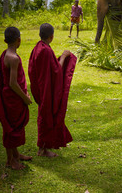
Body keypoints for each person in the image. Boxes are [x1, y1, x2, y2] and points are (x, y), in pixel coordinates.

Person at [28, 23, 77, 157]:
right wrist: (64, 57)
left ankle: (43, 147)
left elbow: (34, 69)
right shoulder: (46, 50)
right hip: (47, 91)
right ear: (52, 36)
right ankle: (43, 150)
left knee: (44, 116)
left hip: (41, 88)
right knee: (47, 118)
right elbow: (56, 71)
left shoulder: (37, 47)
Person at [0, 27, 32, 170]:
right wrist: (25, 98)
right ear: (19, 40)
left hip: (7, 97)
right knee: (11, 129)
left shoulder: (4, 54)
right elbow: (13, 83)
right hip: (12, 100)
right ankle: (10, 161)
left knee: (12, 126)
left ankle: (16, 154)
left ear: (4, 40)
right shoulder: (13, 58)